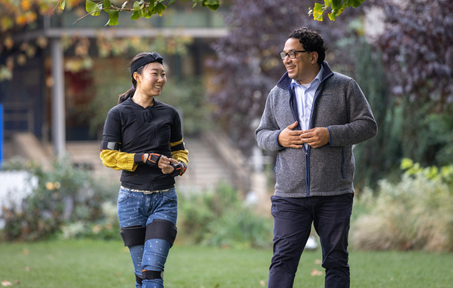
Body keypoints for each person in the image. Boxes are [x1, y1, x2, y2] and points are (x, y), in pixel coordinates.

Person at [255, 27, 377, 288]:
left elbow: (368, 125)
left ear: (313, 57)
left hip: (334, 193)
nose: (286, 59)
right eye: (284, 54)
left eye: (292, 53)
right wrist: (279, 139)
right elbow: (261, 133)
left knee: (335, 261)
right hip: (290, 195)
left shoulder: (345, 87)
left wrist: (330, 135)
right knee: (282, 260)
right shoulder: (277, 93)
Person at [100, 51, 189, 288]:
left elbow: (180, 152)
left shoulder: (170, 114)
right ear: (137, 76)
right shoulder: (118, 114)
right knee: (141, 276)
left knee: (151, 273)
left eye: (164, 74)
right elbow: (108, 156)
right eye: (155, 74)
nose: (161, 79)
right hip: (130, 201)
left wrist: (178, 166)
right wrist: (144, 158)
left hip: (164, 200)